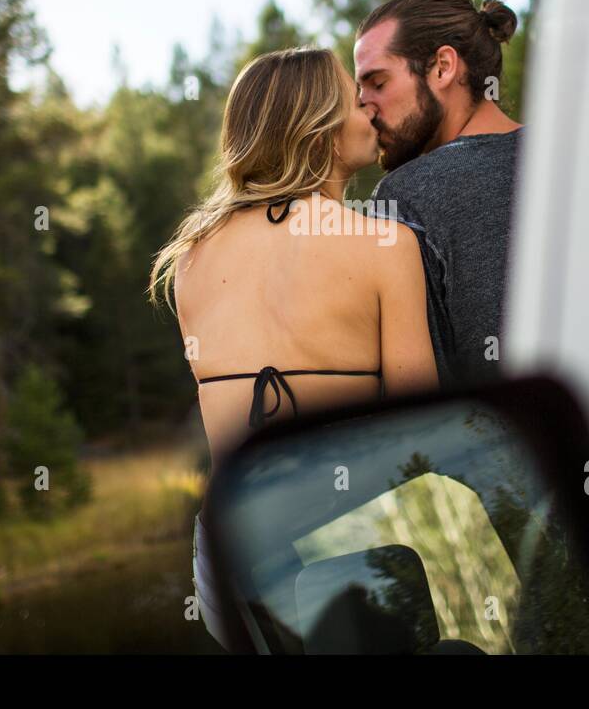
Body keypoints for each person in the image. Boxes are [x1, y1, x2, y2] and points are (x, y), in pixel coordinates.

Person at [149, 46, 439, 651]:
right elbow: (422, 432)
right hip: (348, 534)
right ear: (321, 131)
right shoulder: (386, 246)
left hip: (233, 549)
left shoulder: (190, 260)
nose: (367, 111)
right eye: (352, 100)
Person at [355, 0, 523, 388]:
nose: (364, 106)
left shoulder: (406, 197)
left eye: (377, 82)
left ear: (443, 67)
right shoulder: (576, 158)